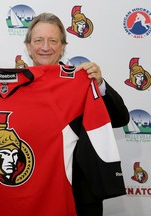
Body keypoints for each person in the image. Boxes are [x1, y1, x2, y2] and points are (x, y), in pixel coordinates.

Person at [24, 12, 129, 216]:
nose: (45, 47)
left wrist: (99, 85)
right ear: (28, 47)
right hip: (30, 194)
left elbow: (120, 118)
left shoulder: (80, 81)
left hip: (78, 198)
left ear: (63, 47)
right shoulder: (13, 88)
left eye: (52, 40)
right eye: (38, 40)